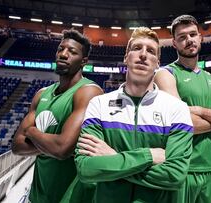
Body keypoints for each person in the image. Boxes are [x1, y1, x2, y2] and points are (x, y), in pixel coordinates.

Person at [72, 27, 194, 203]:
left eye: (151, 51)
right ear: (126, 57)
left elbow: (174, 175)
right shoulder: (99, 104)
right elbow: (86, 169)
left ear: (158, 63)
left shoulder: (177, 108)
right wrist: (149, 155)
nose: (143, 55)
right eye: (137, 48)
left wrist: (112, 160)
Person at [154, 15, 211, 203]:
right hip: (180, 166)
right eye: (182, 37)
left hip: (209, 166)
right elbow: (180, 123)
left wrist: (200, 111)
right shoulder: (165, 74)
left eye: (193, 34)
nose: (189, 40)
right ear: (175, 44)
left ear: (200, 38)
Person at [11, 29, 103, 203]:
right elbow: (17, 146)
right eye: (61, 49)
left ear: (83, 61)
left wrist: (31, 132)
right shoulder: (41, 93)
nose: (63, 54)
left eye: (72, 51)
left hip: (72, 197)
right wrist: (53, 145)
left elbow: (62, 149)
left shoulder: (89, 91)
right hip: (38, 196)